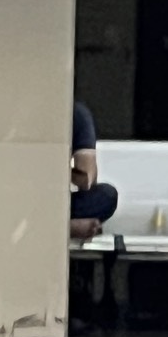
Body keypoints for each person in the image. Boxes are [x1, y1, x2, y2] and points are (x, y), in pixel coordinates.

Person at [70, 100, 118, 238]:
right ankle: (67, 227)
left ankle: (59, 224)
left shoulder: (76, 114)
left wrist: (60, 170)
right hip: (17, 196)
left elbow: (87, 182)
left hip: (56, 200)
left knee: (107, 195)